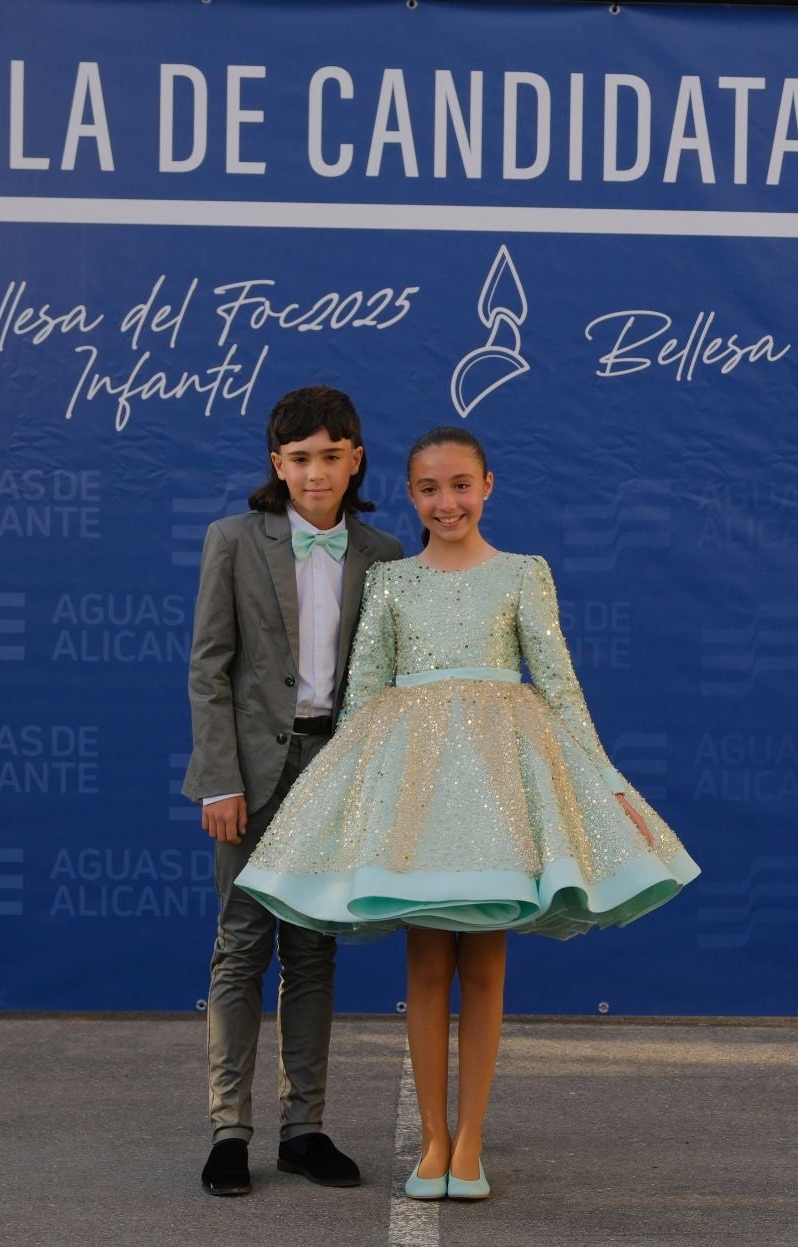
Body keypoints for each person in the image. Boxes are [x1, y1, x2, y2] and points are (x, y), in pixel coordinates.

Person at [235, 426, 698, 1201]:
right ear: (410, 495)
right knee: (426, 965)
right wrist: (338, 796)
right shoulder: (391, 581)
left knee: (484, 964)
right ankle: (433, 1140)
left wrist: (608, 781)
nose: (445, 501)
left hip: (496, 783)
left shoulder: (523, 574)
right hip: (415, 790)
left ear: (489, 486)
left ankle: (471, 1140)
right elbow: (365, 696)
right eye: (428, 488)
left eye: (459, 485)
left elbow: (558, 682)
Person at [182, 386, 405, 1197]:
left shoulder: (384, 557)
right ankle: (228, 1131)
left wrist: (373, 784)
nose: (317, 473)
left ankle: (304, 1129)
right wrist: (217, 780)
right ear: (278, 465)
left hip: (335, 771)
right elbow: (210, 669)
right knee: (242, 945)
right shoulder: (233, 540)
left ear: (355, 459)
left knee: (314, 950)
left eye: (332, 456)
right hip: (247, 774)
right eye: (300, 459)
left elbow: (388, 684)